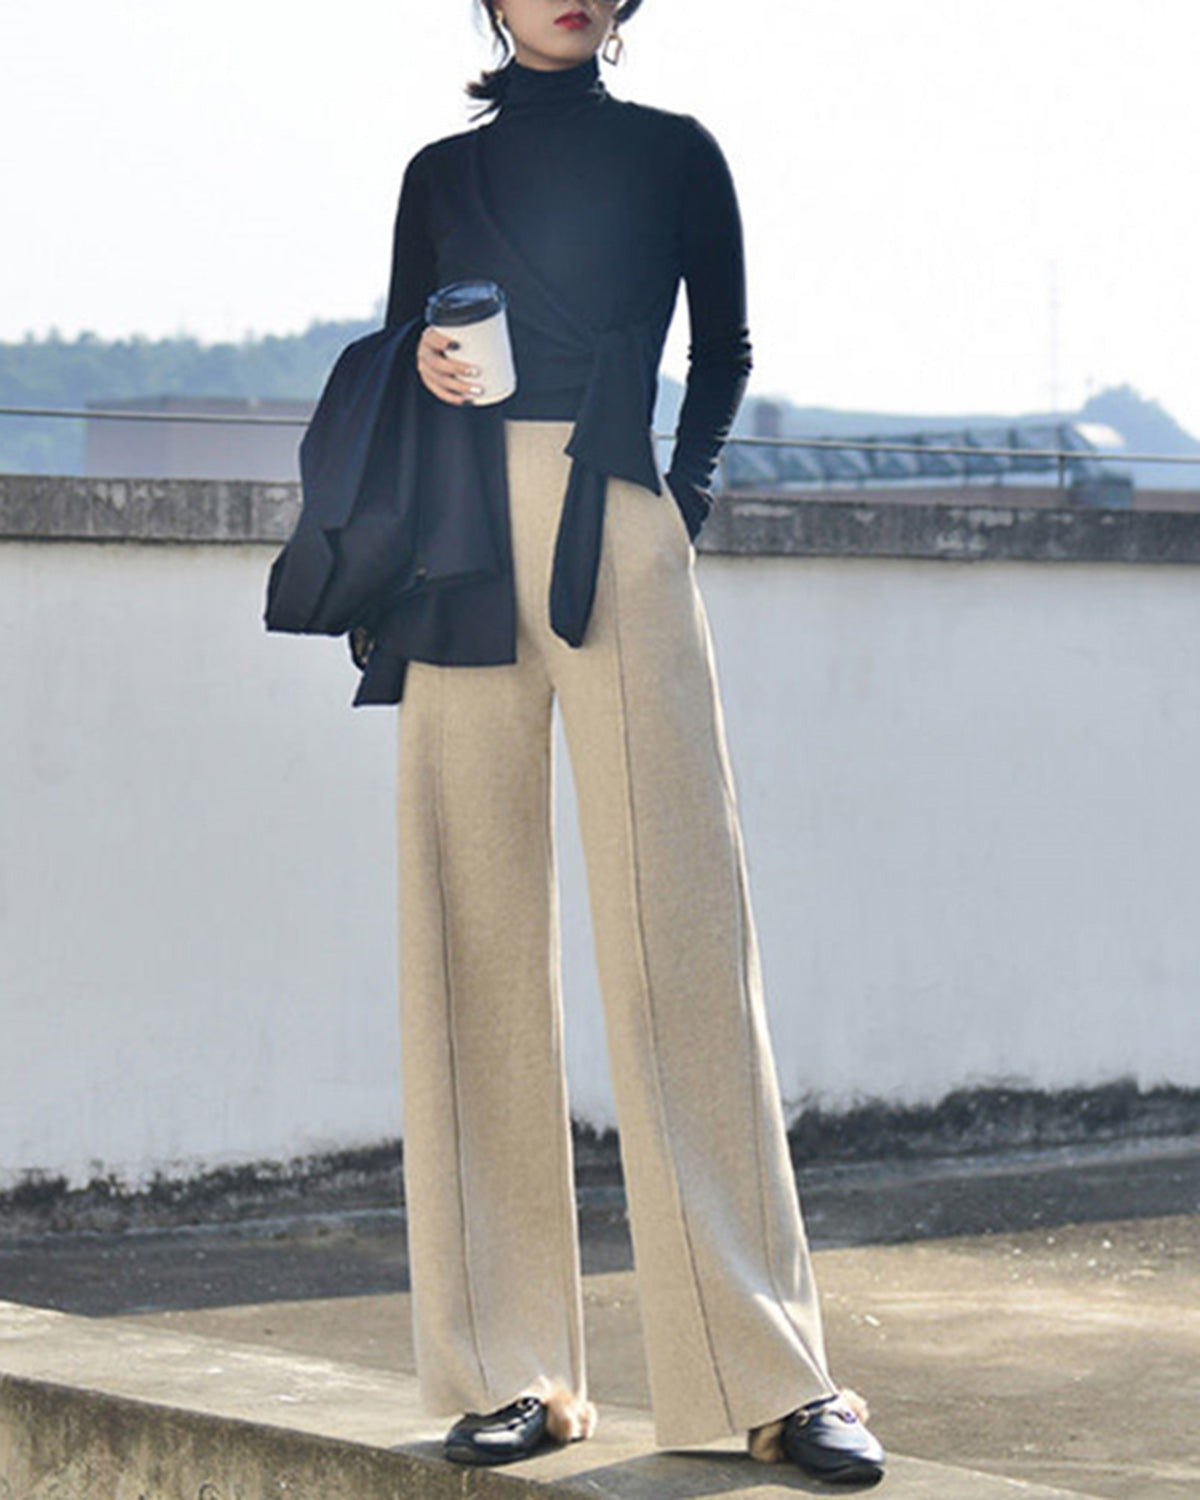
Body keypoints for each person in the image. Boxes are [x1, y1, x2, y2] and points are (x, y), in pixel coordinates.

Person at [386, 0, 886, 1484]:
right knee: (471, 934)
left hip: (617, 516)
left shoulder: (676, 153)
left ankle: (770, 1377)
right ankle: (516, 1372)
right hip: (462, 538)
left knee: (683, 928)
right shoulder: (438, 174)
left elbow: (724, 350)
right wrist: (422, 365)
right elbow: (404, 347)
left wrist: (679, 504)